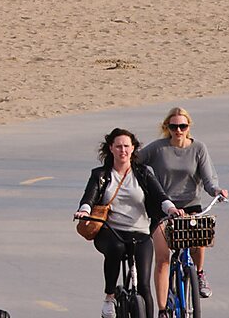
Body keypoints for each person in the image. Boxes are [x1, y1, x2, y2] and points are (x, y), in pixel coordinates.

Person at [74, 128, 182, 318]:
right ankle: (109, 297)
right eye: (118, 146)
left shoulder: (143, 173)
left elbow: (160, 196)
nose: (122, 150)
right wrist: (84, 210)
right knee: (116, 248)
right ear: (111, 149)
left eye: (126, 146)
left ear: (133, 149)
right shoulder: (101, 174)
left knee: (144, 286)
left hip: (140, 232)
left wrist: (171, 208)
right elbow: (89, 197)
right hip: (111, 231)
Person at [138, 108, 229, 316]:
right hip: (163, 208)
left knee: (200, 235)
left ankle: (198, 273)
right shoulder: (158, 149)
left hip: (190, 206)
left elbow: (208, 180)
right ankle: (162, 309)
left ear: (189, 127)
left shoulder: (198, 148)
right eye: (173, 126)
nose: (178, 130)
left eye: (182, 126)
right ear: (166, 128)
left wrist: (217, 191)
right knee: (162, 259)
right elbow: (134, 162)